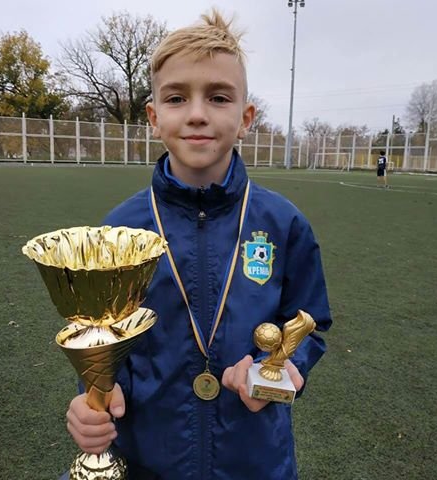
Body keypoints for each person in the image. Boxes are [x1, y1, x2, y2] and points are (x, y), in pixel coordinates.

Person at [65, 10, 332, 480]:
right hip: (149, 455)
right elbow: (100, 335)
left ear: (245, 118)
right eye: (176, 97)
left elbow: (309, 323)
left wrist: (281, 367)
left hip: (254, 459)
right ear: (154, 117)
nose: (196, 113)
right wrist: (100, 395)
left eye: (218, 97)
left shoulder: (283, 223)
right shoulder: (120, 229)